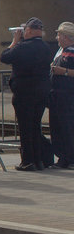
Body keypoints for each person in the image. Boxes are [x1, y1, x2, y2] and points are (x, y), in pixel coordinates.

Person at [0, 17, 53, 172]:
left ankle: (28, 161)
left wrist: (15, 40)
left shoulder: (22, 47)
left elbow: (4, 56)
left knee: (25, 127)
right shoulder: (45, 47)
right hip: (41, 92)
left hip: (24, 93)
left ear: (28, 31)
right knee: (35, 127)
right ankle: (38, 160)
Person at [50, 21, 74, 168]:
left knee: (65, 128)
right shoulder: (61, 51)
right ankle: (64, 156)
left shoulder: (71, 53)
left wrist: (63, 71)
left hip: (66, 97)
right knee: (60, 127)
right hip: (58, 96)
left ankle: (67, 158)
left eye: (59, 35)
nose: (57, 38)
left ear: (66, 37)